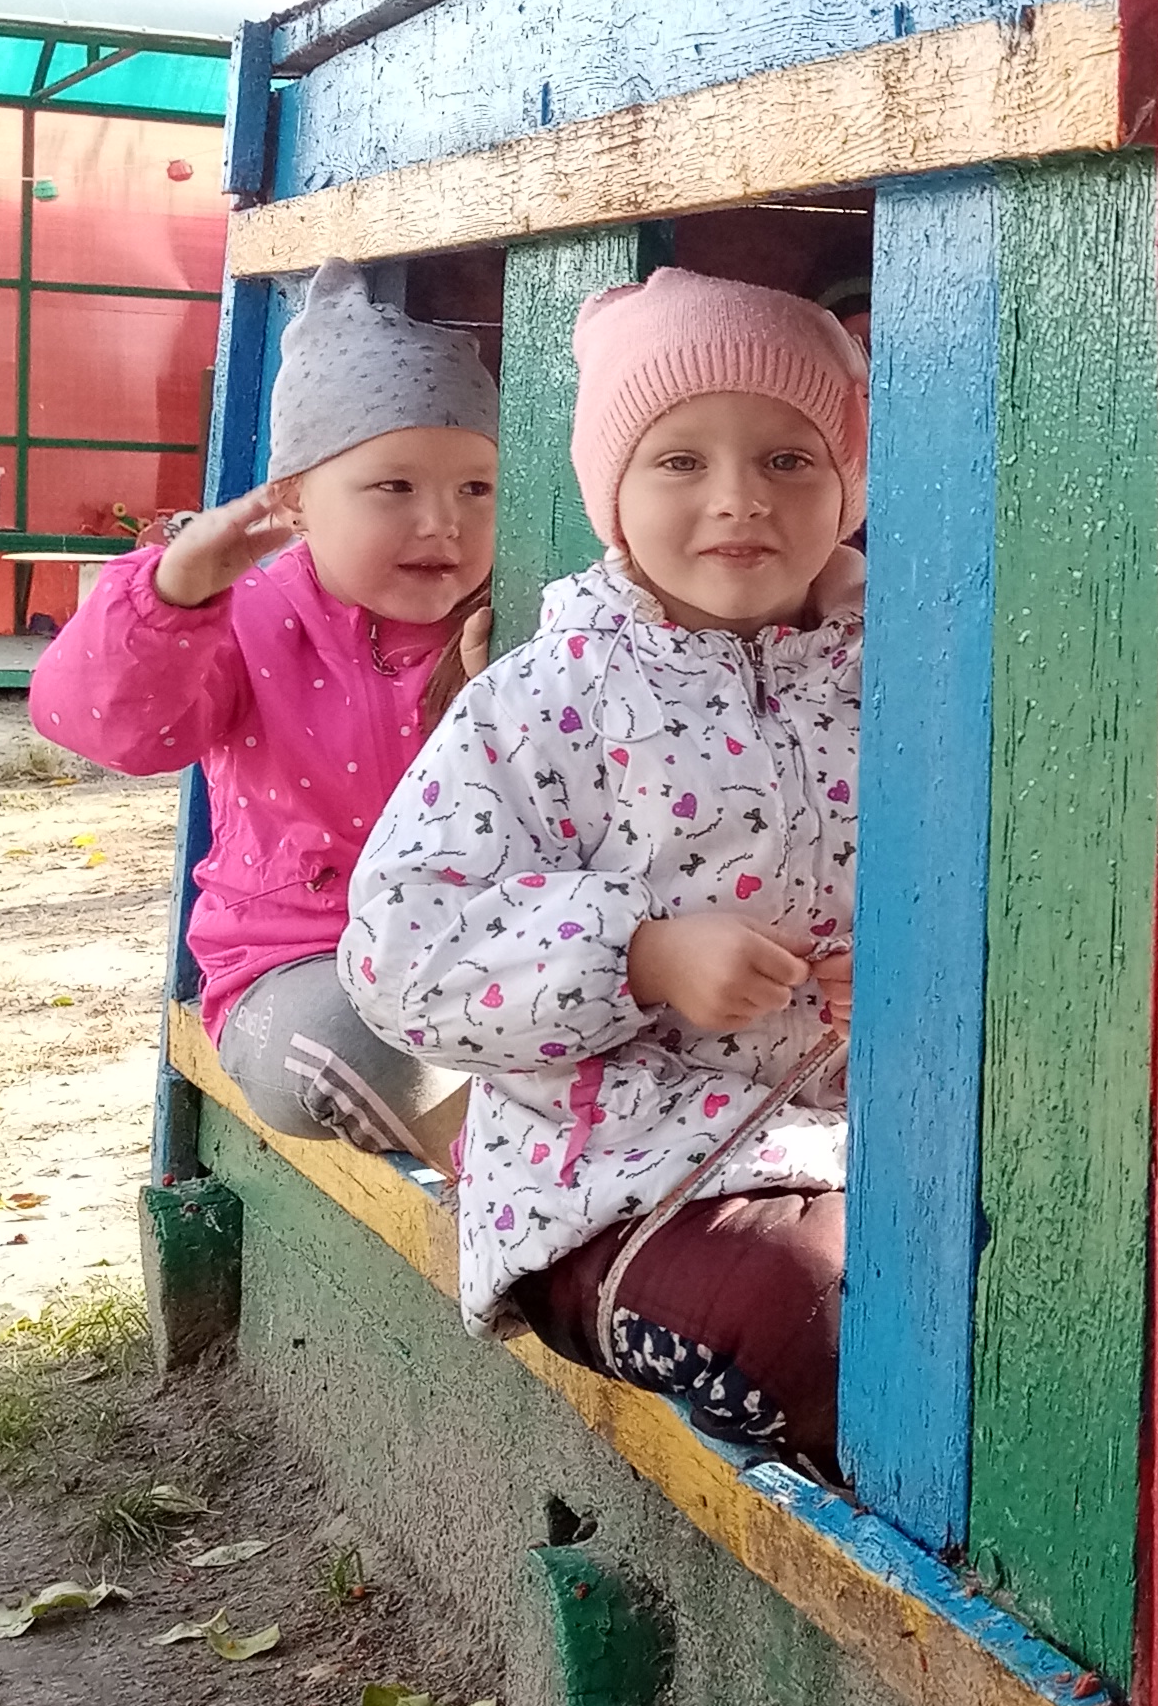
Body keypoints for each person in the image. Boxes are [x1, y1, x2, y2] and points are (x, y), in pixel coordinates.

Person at [345, 270, 865, 1473]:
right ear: (612, 495)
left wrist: (895, 979)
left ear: (847, 486)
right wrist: (635, 955)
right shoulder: (548, 697)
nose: (738, 497)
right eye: (679, 460)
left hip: (846, 1140)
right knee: (803, 1313)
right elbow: (399, 948)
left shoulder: (892, 675)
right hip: (608, 1181)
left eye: (788, 459)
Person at [29, 263, 497, 1166]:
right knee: (361, 1055)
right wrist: (174, 594)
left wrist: (496, 705)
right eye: (394, 487)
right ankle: (523, 1184)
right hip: (297, 971)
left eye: (477, 488)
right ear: (293, 499)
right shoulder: (243, 617)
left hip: (483, 961)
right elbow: (106, 728)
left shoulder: (516, 617)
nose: (443, 522)